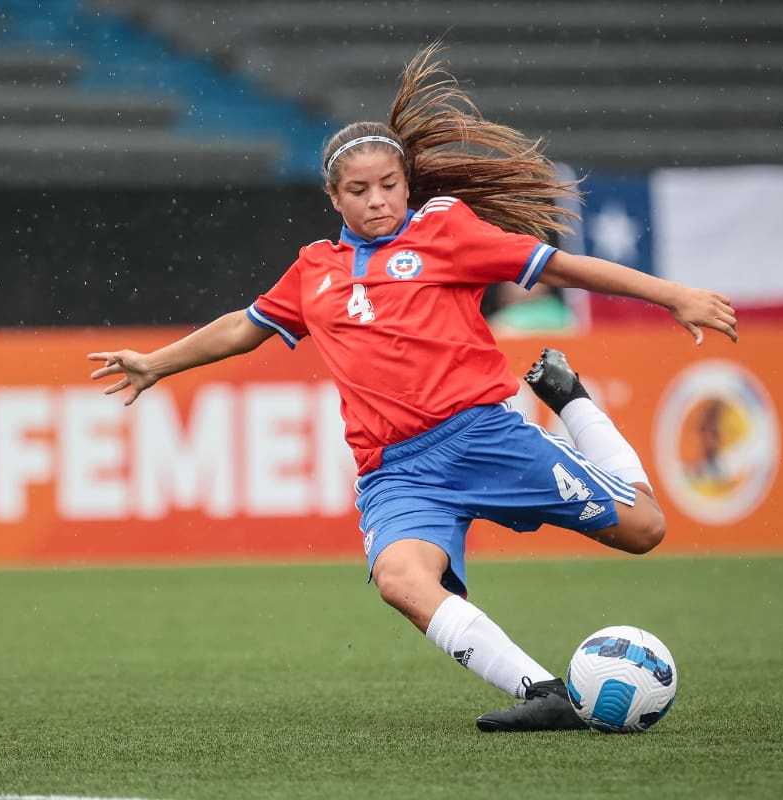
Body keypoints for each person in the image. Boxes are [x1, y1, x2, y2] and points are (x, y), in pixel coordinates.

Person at [87, 43, 738, 732]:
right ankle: (542, 692)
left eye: (389, 185)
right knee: (400, 581)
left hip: (484, 436)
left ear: (406, 183)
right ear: (333, 197)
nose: (378, 200)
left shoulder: (444, 231)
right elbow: (244, 327)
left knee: (644, 528)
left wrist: (673, 295)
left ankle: (569, 396)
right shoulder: (314, 269)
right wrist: (159, 362)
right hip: (397, 473)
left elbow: (563, 267)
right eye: (360, 191)